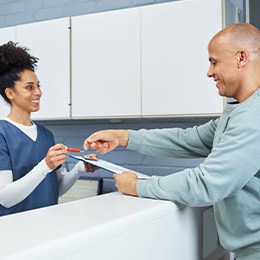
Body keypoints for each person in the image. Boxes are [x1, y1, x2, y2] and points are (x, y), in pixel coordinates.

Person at [83, 23, 260, 259]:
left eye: (214, 61)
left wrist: (136, 186)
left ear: (241, 58)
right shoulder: (240, 111)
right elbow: (188, 139)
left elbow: (206, 184)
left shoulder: (253, 116)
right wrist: (124, 137)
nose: (209, 72)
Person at [0, 41, 96, 216]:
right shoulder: (2, 134)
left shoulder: (46, 135)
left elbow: (53, 190)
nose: (38, 92)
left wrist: (80, 169)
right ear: (10, 93)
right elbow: (5, 198)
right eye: (30, 87)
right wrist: (45, 165)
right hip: (13, 232)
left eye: (38, 86)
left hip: (48, 225)